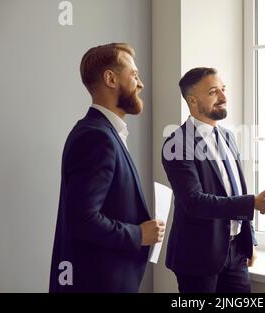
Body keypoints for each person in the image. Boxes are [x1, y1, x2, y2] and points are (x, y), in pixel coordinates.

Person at [49, 43, 165, 292]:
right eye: (134, 75)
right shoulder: (96, 137)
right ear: (111, 79)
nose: (141, 83)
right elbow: (83, 219)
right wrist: (138, 234)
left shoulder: (103, 133)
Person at [162, 67, 265, 293]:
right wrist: (253, 203)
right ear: (192, 100)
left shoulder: (228, 136)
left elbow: (235, 188)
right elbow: (194, 202)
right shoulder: (177, 143)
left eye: (223, 89)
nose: (224, 97)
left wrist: (249, 240)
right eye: (213, 92)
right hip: (198, 257)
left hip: (236, 252)